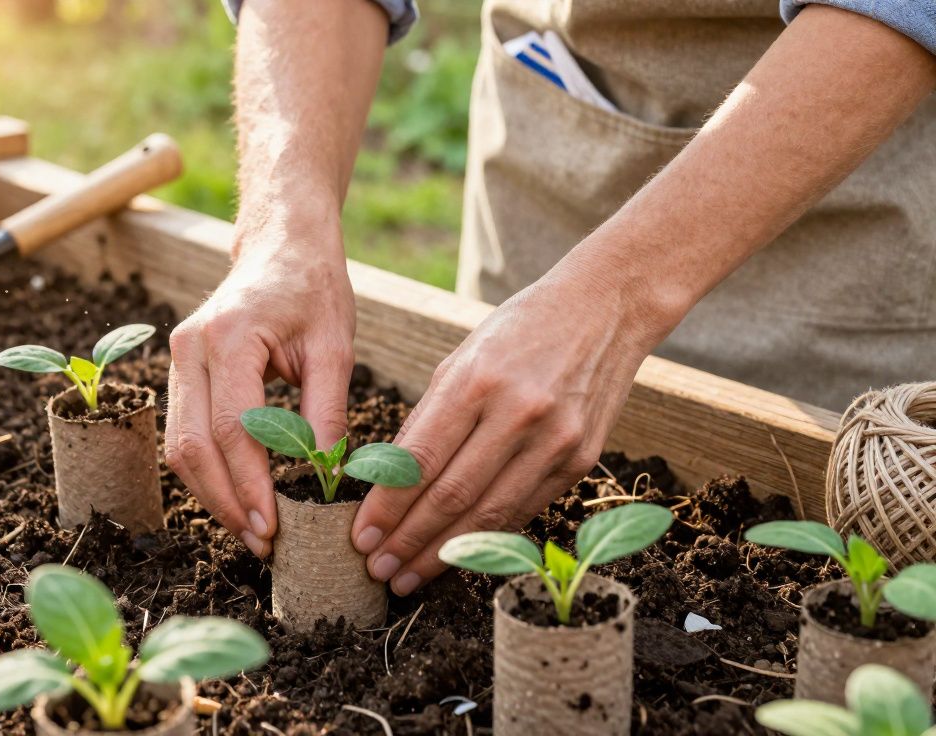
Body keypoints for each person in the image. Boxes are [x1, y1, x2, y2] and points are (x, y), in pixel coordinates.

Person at [164, 0, 936, 597]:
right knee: (475, 463)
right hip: (560, 134)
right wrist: (281, 220)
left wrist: (619, 297)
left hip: (847, 211)